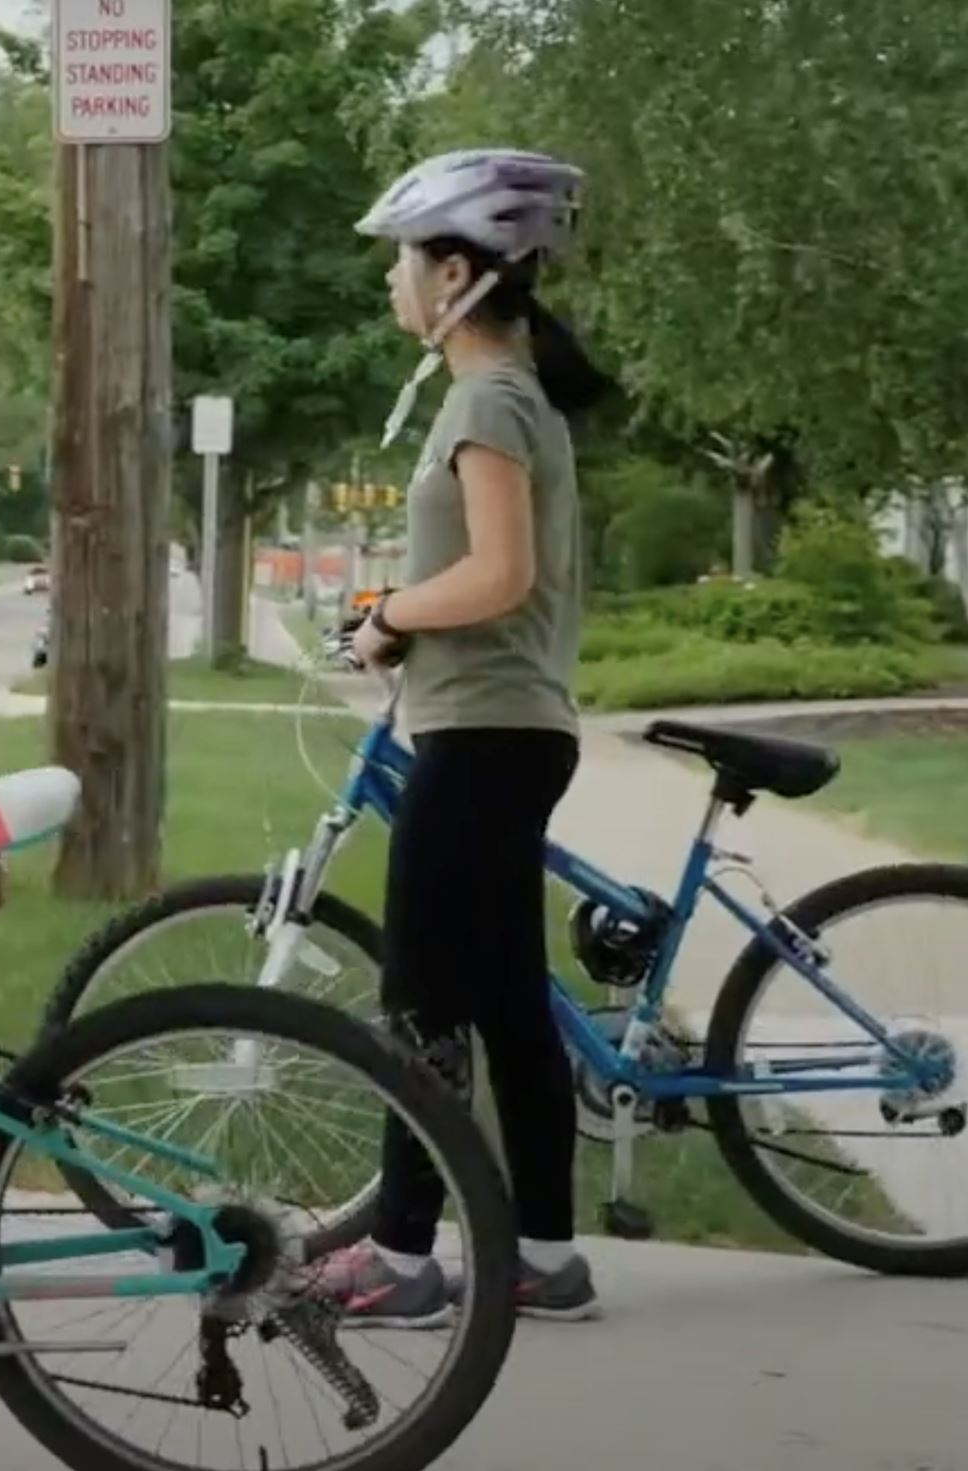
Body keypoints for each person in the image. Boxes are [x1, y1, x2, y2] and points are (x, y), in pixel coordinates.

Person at [324, 148, 614, 1325]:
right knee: (501, 1002)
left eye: (400, 262)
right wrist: (400, 615)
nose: (391, 284)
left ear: (451, 270)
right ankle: (543, 1256)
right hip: (510, 728)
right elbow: (491, 574)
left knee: (419, 998)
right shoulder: (509, 394)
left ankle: (398, 1258)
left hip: (483, 736)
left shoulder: (487, 398)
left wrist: (386, 612)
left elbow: (496, 574)